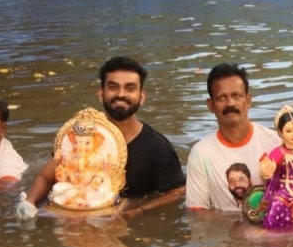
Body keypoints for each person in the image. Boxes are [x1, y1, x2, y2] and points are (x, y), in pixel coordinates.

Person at [17, 57, 186, 218]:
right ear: (101, 94)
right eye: (113, 87)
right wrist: (30, 202)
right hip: (72, 215)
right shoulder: (80, 133)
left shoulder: (156, 147)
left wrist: (139, 211)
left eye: (130, 88)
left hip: (121, 225)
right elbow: (46, 177)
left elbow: (178, 191)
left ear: (141, 97)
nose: (121, 94)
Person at [185, 62, 278, 211]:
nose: (230, 103)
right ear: (210, 105)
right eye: (221, 98)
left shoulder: (275, 142)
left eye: (236, 96)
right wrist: (241, 228)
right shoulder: (201, 154)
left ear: (248, 101)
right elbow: (198, 216)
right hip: (227, 233)